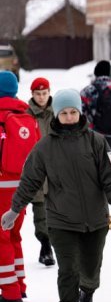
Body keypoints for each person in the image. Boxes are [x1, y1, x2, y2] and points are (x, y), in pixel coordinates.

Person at [2, 89, 111, 302]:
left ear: (79, 113)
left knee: (91, 268)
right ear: (56, 116)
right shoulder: (45, 147)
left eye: (73, 112)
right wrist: (15, 210)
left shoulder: (96, 141)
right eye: (63, 113)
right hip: (61, 220)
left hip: (95, 218)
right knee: (68, 270)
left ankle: (88, 293)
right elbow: (29, 181)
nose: (69, 117)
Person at [0, 71, 37, 302]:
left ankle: (10, 291)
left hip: (2, 184)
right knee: (14, 235)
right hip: (22, 186)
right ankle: (20, 284)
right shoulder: (26, 116)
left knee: (1, 236)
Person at [25, 77, 55, 266]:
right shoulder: (27, 115)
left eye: (44, 93)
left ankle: (53, 244)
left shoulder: (57, 113)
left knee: (56, 210)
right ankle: (45, 245)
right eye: (38, 94)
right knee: (40, 211)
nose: (42, 97)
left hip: (55, 169)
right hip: (36, 169)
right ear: (32, 95)